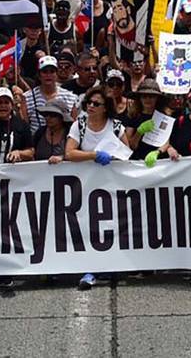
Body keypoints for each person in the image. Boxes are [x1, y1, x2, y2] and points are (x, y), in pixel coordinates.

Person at [64, 85, 130, 291]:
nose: (91, 106)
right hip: (87, 185)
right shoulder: (79, 125)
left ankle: (111, 264)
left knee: (112, 224)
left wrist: (113, 160)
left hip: (111, 185)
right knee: (89, 226)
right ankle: (90, 268)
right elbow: (70, 153)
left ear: (105, 108)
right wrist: (93, 155)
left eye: (96, 104)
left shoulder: (116, 126)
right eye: (89, 103)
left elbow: (126, 155)